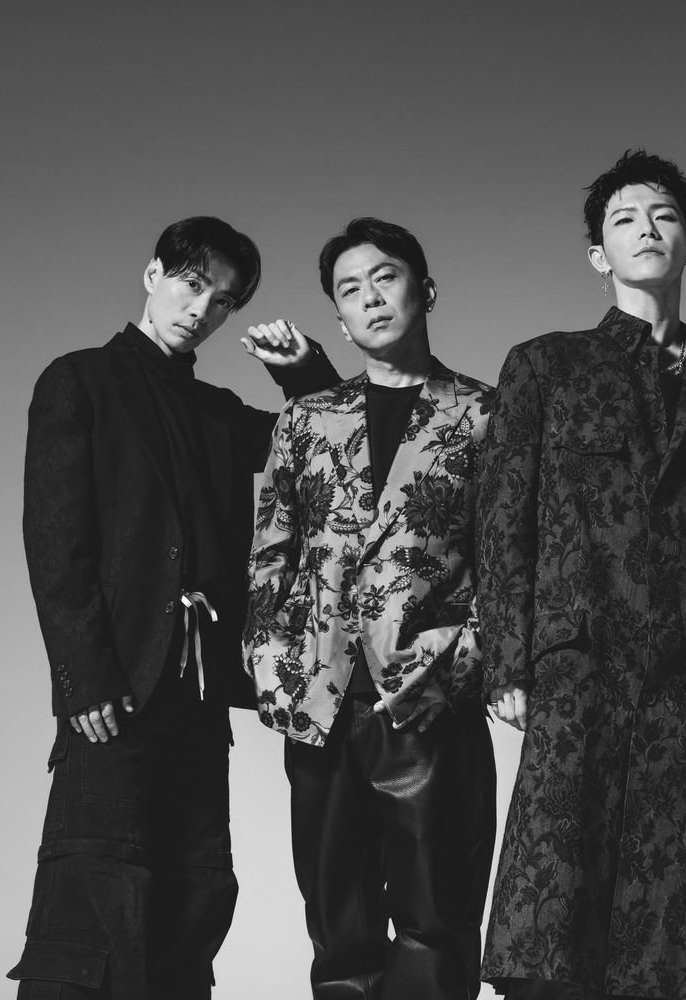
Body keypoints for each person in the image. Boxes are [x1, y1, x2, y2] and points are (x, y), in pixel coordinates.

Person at [476, 149, 686, 1000]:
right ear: (597, 255)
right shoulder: (545, 366)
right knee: (553, 913)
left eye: (664, 216)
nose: (646, 230)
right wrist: (507, 660)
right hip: (580, 669)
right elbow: (503, 519)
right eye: (624, 219)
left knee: (679, 929)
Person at [9, 216, 341, 998]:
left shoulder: (217, 412)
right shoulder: (80, 380)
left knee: (193, 900)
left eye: (221, 301)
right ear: (153, 274)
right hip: (113, 686)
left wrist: (305, 373)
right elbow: (55, 540)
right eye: (192, 285)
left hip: (197, 695)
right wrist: (83, 677)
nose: (201, 309)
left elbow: (326, 445)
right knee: (93, 900)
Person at [245, 218, 496, 999]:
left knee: (436, 922)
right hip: (321, 701)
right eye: (350, 290)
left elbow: (514, 565)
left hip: (427, 699)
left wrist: (458, 663)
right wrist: (269, 662)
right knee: (338, 929)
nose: (370, 298)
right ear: (340, 317)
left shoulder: (486, 416)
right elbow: (271, 551)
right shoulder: (307, 419)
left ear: (425, 290)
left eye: (385, 277)